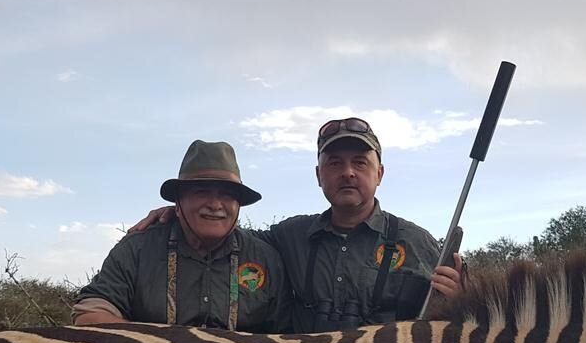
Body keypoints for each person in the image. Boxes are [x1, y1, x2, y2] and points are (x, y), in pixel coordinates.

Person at [127, 117, 464, 332]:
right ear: (319, 176)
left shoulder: (417, 242)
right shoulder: (288, 236)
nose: (347, 172)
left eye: (360, 163)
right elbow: (224, 231)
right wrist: (180, 214)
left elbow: (458, 321)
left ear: (380, 174)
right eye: (334, 163)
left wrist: (459, 297)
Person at [73, 140, 291, 332]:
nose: (215, 205)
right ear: (177, 204)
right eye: (201, 192)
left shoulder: (265, 258)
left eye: (227, 195)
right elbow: (89, 316)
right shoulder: (136, 249)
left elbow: (284, 337)